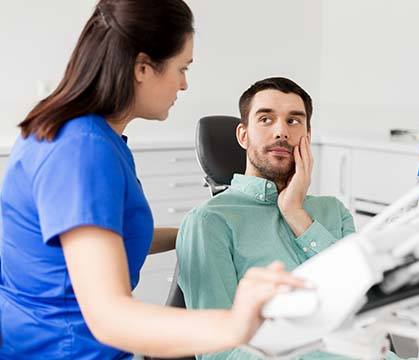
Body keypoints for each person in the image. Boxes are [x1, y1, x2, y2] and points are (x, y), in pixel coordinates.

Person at [0, 2, 305, 359]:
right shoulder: (82, 151)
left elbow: (106, 240)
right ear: (143, 68)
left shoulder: (86, 135)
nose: (184, 83)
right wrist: (235, 323)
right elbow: (110, 318)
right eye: (181, 68)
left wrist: (202, 228)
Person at [176, 77, 358, 359]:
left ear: (307, 136)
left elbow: (363, 301)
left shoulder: (334, 211)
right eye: (266, 119)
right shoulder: (209, 222)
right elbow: (218, 354)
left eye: (294, 121)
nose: (281, 132)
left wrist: (297, 215)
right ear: (243, 135)